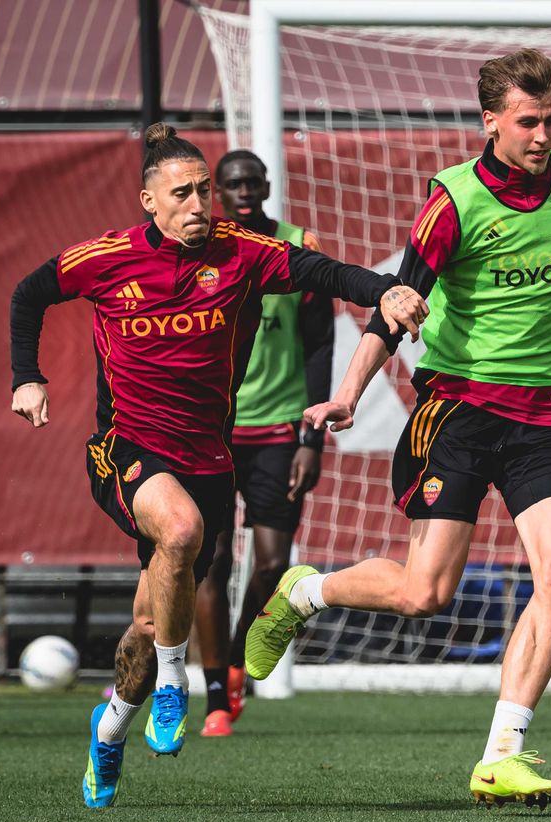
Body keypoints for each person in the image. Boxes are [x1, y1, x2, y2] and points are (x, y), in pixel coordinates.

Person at [245, 48, 551, 809]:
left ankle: (501, 757)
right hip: (458, 411)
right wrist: (348, 393)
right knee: (425, 593)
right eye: (528, 122)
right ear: (491, 122)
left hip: (547, 416)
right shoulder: (453, 201)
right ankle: (306, 592)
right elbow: (398, 303)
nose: (543, 135)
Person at [8, 123, 426, 809]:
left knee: (148, 627)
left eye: (204, 190)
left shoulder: (240, 252)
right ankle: (180, 683)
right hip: (126, 448)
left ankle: (109, 732)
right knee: (179, 531)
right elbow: (29, 294)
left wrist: (385, 288)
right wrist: (27, 375)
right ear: (149, 201)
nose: (199, 203)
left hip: (207, 458)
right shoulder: (106, 257)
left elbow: (321, 272)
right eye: (183, 193)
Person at [194, 150, 332, 738]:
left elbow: (320, 343)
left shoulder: (297, 245)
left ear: (268, 185)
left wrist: (312, 438)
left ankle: (234, 660)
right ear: (218, 192)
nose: (245, 191)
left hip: (279, 430)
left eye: (253, 181)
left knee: (274, 562)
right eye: (234, 184)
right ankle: (213, 698)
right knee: (212, 559)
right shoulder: (200, 249)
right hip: (212, 429)